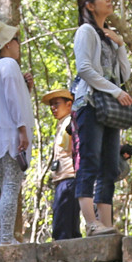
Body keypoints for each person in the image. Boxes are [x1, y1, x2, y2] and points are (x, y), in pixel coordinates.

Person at [71, 0, 132, 235]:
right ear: (89, 5)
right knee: (90, 161)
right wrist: (116, 91)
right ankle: (91, 223)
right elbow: (84, 68)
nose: (109, 1)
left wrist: (120, 45)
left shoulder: (107, 35)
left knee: (110, 165)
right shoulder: (85, 31)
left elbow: (125, 74)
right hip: (91, 104)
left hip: (109, 108)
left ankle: (106, 224)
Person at [0, 18, 34, 245]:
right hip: (10, 138)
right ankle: (6, 238)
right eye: (17, 41)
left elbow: (10, 101)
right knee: (11, 187)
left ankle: (5, 237)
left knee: (7, 188)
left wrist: (25, 88)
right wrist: (22, 130)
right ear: (8, 44)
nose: (19, 45)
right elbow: (13, 102)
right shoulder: (9, 66)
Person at [44, 88, 81, 240]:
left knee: (64, 220)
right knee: (64, 219)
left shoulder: (72, 123)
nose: (53, 108)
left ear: (69, 104)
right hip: (61, 178)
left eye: (56, 104)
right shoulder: (61, 124)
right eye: (51, 105)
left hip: (69, 177)